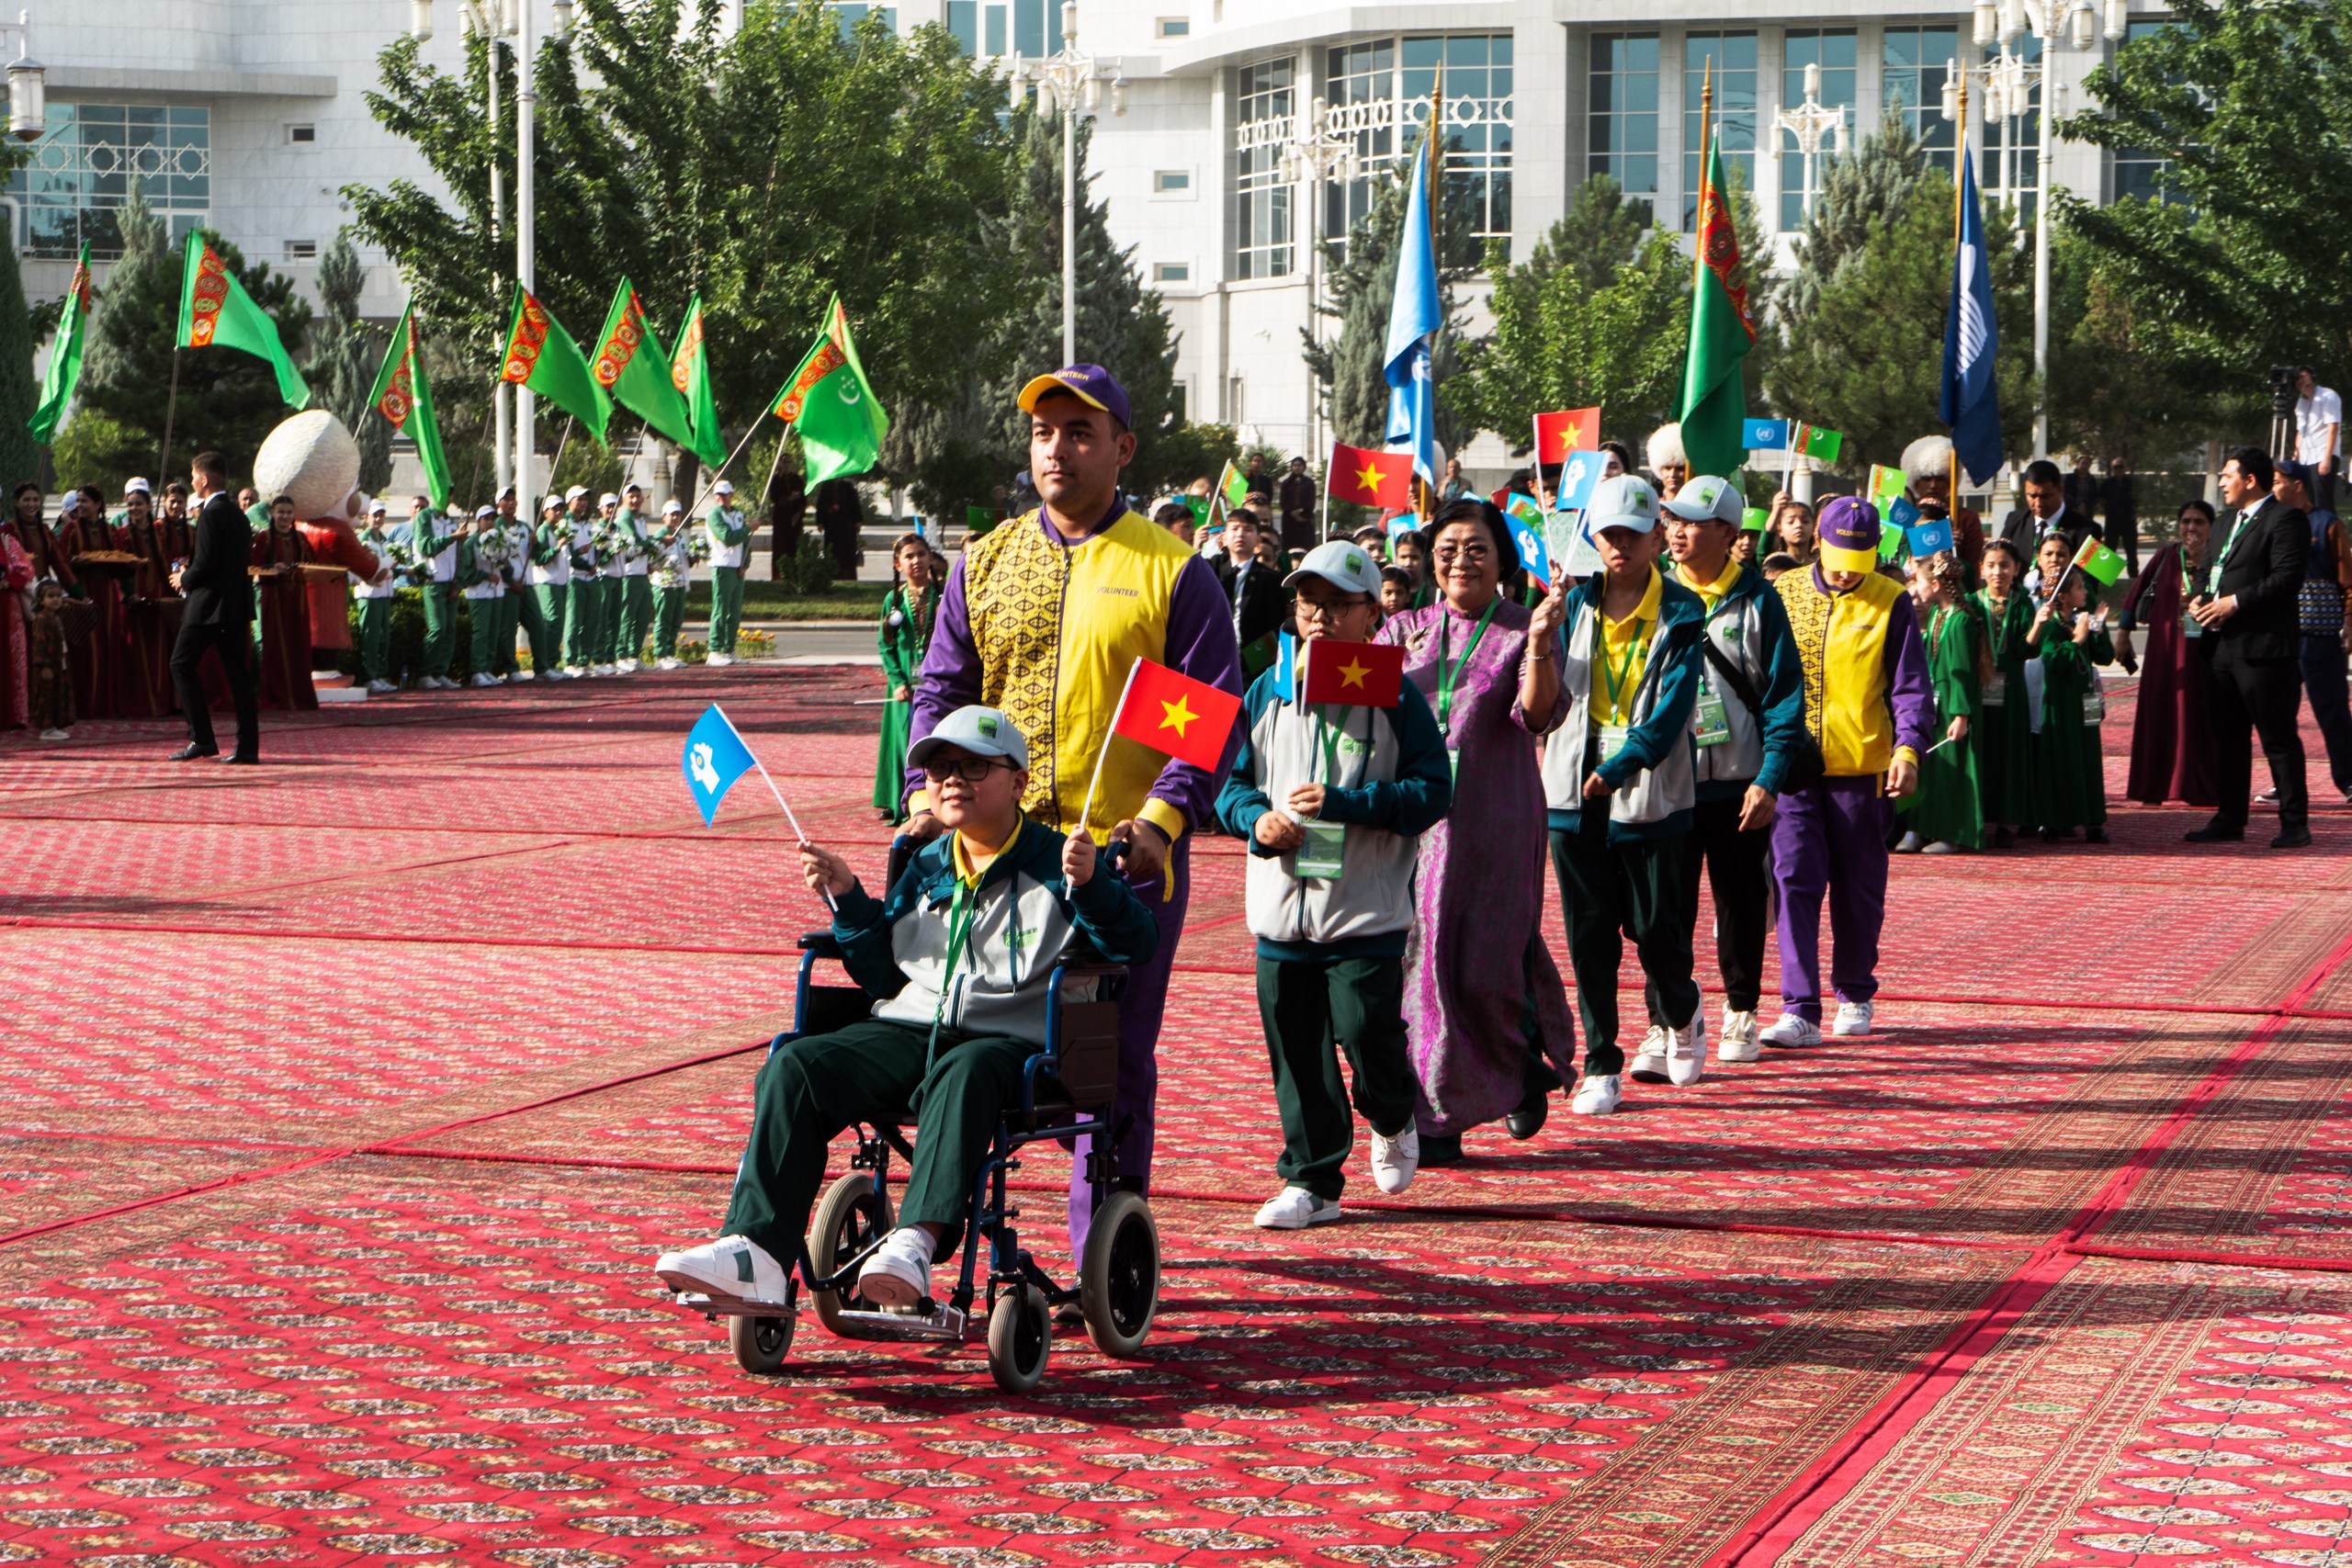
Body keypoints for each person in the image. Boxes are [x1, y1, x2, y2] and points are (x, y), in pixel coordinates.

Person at [653, 705, 1158, 1310]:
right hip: (911, 1029)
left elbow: (1135, 944)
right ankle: (756, 1253)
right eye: (941, 767)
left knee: (964, 1070)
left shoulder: (1064, 862)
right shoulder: (926, 864)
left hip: (1014, 1044)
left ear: (1019, 782)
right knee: (797, 1062)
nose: (952, 780)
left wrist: (1095, 886)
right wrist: (849, 900)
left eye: (974, 766)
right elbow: (884, 973)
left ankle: (914, 1242)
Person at [902, 363, 1242, 1255]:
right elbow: (939, 690)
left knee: (1109, 1059)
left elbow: (1206, 715)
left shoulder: (1173, 573)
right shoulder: (984, 563)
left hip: (1120, 866)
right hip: (996, 856)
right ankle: (936, 1227)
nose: (1059, 448)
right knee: (967, 1035)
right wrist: (922, 796)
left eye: (1081, 432)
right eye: (1044, 432)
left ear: (1121, 450)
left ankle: (1104, 1237)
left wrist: (1160, 825)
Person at [1217, 540, 1451, 1227]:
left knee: (1363, 1026)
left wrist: (1350, 804)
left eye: (1336, 603)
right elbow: (1228, 786)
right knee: (1296, 1046)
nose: (1318, 616)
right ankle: (1311, 1178)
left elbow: (1433, 792)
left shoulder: (1396, 697)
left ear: (1371, 614)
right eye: (1307, 601)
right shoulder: (1267, 687)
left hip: (1364, 912)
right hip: (1281, 913)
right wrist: (1257, 820)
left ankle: (1392, 1107)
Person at [1374, 498, 1576, 1156]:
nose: (1461, 559)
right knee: (1417, 961)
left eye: (1477, 547)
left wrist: (1543, 645)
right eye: (1448, 549)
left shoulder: (1525, 626)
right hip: (1411, 824)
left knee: (1484, 959)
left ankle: (1516, 1066)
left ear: (1502, 558)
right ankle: (1438, 1114)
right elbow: (1356, 711)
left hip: (1494, 819)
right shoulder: (1403, 628)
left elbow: (1539, 715)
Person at [1538, 474, 1705, 1111]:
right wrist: (1542, 636)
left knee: (1657, 929)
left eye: (1634, 534)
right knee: (1589, 934)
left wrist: (1626, 761)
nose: (1621, 545)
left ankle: (1682, 1011)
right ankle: (1601, 1059)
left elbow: (1672, 711)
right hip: (1572, 792)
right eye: (1609, 534)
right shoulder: (1572, 602)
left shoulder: (1685, 612)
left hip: (1651, 792)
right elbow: (1546, 697)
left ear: (1657, 537)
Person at [1760, 498, 1934, 1047]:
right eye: (1838, 555)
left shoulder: (1890, 601)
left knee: (1859, 889)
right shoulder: (1783, 594)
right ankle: (1799, 1006)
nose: (1845, 569)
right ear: (1816, 540)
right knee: (1794, 882)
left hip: (1863, 771)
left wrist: (1908, 751)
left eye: (1859, 560)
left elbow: (1910, 687)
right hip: (1793, 769)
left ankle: (1855, 992)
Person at [1656, 474, 1806, 1065]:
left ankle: (1741, 1010)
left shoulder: (1759, 599)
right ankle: (1669, 1014)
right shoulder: (1656, 594)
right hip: (1667, 783)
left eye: (1692, 522)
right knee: (1664, 908)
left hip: (1740, 783)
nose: (1677, 532)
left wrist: (1769, 777)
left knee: (1740, 901)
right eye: (1673, 521)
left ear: (1728, 532)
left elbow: (1785, 696)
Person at [2188, 446, 2312, 849]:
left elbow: (2286, 578)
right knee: (2229, 737)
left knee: (2277, 738)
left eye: (2227, 475)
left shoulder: (2286, 519)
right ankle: (2230, 817)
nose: (2221, 482)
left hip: (2264, 649)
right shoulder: (2224, 523)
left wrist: (2234, 602)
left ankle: (2294, 822)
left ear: (2250, 480)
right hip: (2220, 647)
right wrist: (2201, 597)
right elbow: (2208, 569)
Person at [2116, 501, 2218, 807]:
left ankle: (2200, 787)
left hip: (2205, 653)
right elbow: (2133, 597)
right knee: (2160, 716)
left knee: (2199, 719)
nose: (2191, 528)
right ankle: (2155, 786)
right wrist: (2122, 637)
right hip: (2163, 655)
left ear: (2211, 528)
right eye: (2186, 521)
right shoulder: (2164, 557)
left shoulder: (2219, 561)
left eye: (2199, 522)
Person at [168, 452, 259, 763]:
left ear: (204, 480)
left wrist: (183, 577)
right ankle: (248, 747)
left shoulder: (210, 514)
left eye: (194, 476)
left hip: (208, 607)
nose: (192, 481)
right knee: (239, 677)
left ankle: (202, 738)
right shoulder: (237, 513)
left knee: (180, 664)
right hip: (235, 606)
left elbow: (205, 564)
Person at [2276, 460, 2352, 807]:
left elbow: (2348, 583)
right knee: (2278, 713)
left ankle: (2349, 781)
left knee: (2332, 711)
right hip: (2279, 638)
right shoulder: (2273, 524)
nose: (2273, 488)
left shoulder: (2327, 525)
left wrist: (2349, 625)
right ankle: (2286, 783)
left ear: (2298, 486)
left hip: (2320, 637)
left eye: (2278, 482)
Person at [1903, 554, 1986, 853]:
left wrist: (1961, 714)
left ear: (1936, 584)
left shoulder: (1961, 620)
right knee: (1932, 768)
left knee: (1954, 769)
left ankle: (1954, 832)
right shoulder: (1938, 616)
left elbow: (1962, 672)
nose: (1917, 591)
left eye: (1920, 583)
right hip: (1935, 703)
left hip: (1953, 704)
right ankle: (1921, 828)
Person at [2030, 564, 2113, 842]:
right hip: (2061, 704)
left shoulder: (2081, 621)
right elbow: (2053, 662)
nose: (2084, 591)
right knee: (2062, 759)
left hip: (2085, 700)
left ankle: (2093, 820)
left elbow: (2104, 656)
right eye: (2078, 587)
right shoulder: (2053, 627)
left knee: (2088, 758)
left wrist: (2097, 627)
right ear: (2063, 596)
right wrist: (2076, 640)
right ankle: (2056, 820)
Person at [1973, 538, 2038, 842]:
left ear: (2017, 569)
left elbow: (2028, 649)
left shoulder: (2022, 602)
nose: (1997, 571)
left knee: (2009, 751)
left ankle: (2007, 819)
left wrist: (2039, 624)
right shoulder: (1971, 602)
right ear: (1981, 569)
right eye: (1991, 565)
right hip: (1979, 686)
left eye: (2004, 565)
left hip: (2011, 689)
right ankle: (1978, 814)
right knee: (1982, 748)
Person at [873, 533, 937, 824]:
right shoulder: (893, 600)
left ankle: (931, 801)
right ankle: (899, 800)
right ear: (898, 564)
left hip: (935, 681)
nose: (916, 561)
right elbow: (886, 645)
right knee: (902, 741)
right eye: (909, 556)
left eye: (921, 555)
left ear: (930, 559)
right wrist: (898, 681)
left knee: (932, 741)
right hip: (903, 686)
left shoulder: (944, 594)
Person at [112, 478, 182, 718]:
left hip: (159, 597)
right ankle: (139, 704)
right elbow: (119, 569)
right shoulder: (121, 534)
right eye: (130, 505)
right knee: (136, 651)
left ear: (148, 505)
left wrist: (175, 591)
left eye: (139, 504)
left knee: (158, 651)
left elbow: (165, 562)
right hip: (135, 597)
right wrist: (130, 594)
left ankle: (160, 703)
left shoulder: (158, 532)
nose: (134, 509)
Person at [249, 495, 317, 711]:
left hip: (297, 601)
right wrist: (272, 568)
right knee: (274, 647)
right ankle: (276, 697)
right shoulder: (264, 538)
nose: (284, 516)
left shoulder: (301, 538)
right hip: (274, 600)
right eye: (280, 512)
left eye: (288, 512)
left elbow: (313, 564)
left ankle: (299, 697)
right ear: (272, 514)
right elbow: (251, 568)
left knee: (298, 645)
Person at [1214, 508, 1287, 682]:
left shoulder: (1270, 578)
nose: (1240, 534)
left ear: (1257, 538)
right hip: (1213, 658)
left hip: (1250, 667)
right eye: (1234, 528)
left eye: (1247, 530)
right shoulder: (1210, 568)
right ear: (1224, 536)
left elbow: (1274, 627)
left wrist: (1254, 664)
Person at [2002, 459, 2099, 584]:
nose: (2038, 504)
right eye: (2032, 496)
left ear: (2060, 490)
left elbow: (2090, 584)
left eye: (2045, 496)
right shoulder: (2014, 521)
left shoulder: (2088, 530)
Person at [1902, 434, 1985, 572]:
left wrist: (1953, 548)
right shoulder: (1904, 515)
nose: (1933, 485)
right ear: (1915, 481)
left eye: (1940, 478)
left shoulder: (1966, 519)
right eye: (1926, 478)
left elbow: (1973, 566)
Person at [406, 495, 461, 691]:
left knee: (449, 630)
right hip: (432, 581)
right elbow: (426, 547)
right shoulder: (424, 518)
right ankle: (426, 673)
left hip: (450, 582)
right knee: (437, 628)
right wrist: (451, 538)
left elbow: (459, 555)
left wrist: (458, 583)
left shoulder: (450, 522)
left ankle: (440, 672)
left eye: (450, 494)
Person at [458, 504, 508, 688]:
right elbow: (466, 573)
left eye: (492, 519)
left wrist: (503, 561)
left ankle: (488, 668)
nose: (489, 522)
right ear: (478, 522)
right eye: (486, 519)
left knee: (493, 632)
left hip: (496, 591)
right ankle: (477, 671)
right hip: (479, 593)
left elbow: (503, 563)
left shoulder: (499, 539)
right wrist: (486, 576)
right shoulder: (471, 543)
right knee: (481, 633)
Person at [524, 494, 571, 680]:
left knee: (558, 623)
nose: (559, 512)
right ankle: (546, 664)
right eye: (555, 509)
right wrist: (557, 548)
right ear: (545, 512)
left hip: (559, 580)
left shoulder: (559, 530)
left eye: (561, 509)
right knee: (552, 622)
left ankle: (553, 662)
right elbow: (539, 558)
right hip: (547, 581)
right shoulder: (543, 531)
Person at [354, 502, 400, 693]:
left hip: (385, 593)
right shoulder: (363, 540)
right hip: (369, 594)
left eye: (381, 515)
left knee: (383, 636)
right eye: (375, 515)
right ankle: (369, 676)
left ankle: (380, 674)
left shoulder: (386, 541)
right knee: (370, 636)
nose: (378, 519)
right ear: (366, 518)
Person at [704, 479, 749, 667]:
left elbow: (746, 542)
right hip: (722, 565)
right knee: (721, 609)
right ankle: (714, 650)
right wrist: (749, 529)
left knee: (734, 611)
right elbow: (728, 537)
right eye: (718, 495)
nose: (721, 498)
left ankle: (729, 649)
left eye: (725, 494)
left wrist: (745, 563)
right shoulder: (714, 515)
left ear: (732, 495)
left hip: (737, 566)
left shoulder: (738, 514)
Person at [561, 487, 605, 678]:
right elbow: (569, 554)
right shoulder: (565, 524)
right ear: (570, 502)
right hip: (575, 577)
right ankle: (570, 661)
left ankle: (584, 660)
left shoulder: (588, 525)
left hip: (592, 578)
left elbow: (596, 550)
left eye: (585, 499)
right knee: (574, 620)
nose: (583, 503)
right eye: (579, 499)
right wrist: (586, 565)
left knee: (591, 620)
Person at [650, 499, 694, 669]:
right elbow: (652, 561)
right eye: (672, 514)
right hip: (664, 585)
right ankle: (660, 655)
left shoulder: (681, 537)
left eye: (678, 514)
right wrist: (667, 565)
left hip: (680, 583)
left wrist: (694, 556)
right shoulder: (659, 537)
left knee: (676, 620)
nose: (675, 518)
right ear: (664, 517)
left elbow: (684, 560)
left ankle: (670, 652)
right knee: (664, 619)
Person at [593, 491, 629, 673]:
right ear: (600, 508)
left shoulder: (619, 530)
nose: (610, 509)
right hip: (604, 576)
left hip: (618, 577)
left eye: (614, 506)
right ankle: (598, 659)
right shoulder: (598, 530)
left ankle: (610, 658)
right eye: (607, 506)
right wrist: (611, 552)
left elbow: (624, 554)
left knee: (615, 620)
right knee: (602, 619)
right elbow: (597, 558)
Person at [28, 579, 69, 739]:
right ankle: (46, 729)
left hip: (57, 663)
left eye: (58, 595)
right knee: (46, 696)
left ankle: (53, 726)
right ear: (41, 600)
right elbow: (39, 644)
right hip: (46, 665)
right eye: (50, 596)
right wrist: (43, 665)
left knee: (56, 693)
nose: (56, 599)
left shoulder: (55, 617)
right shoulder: (41, 619)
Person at [2298, 367, 2342, 513]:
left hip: (2322, 455)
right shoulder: (2301, 402)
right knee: (2309, 501)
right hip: (2306, 459)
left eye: (2303, 376)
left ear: (2313, 377)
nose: (2301, 380)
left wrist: (2327, 458)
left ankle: (2330, 533)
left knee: (2323, 500)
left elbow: (2333, 427)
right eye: (2298, 379)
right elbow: (2300, 431)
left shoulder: (2327, 395)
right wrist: (2296, 456)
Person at [2101, 457, 2140, 577]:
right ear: (2112, 469)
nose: (2118, 469)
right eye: (2115, 467)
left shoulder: (2131, 482)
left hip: (2129, 522)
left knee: (2131, 553)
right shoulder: (2107, 483)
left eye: (2121, 466)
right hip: (2112, 522)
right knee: (2108, 551)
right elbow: (2101, 499)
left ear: (2125, 468)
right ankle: (2105, 578)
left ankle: (2133, 579)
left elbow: (2138, 499)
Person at [1278, 456, 1318, 556]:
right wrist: (1292, 513)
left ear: (1304, 467)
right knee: (1289, 548)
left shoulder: (1309, 483)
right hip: (1289, 521)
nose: (1297, 467)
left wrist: (1301, 512)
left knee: (1307, 548)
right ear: (1291, 467)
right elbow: (1283, 502)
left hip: (1305, 520)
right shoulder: (1286, 483)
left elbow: (1311, 501)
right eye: (1295, 465)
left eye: (1299, 465)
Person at [1645, 424, 1688, 500]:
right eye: (1667, 468)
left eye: (1680, 468)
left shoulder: (1697, 510)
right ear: (1660, 471)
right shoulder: (1653, 508)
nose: (1673, 474)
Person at [1771, 499, 1818, 565]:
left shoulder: (1819, 566)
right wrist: (1775, 512)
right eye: (1790, 522)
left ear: (1813, 527)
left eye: (1805, 521)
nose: (1798, 525)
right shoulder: (1775, 564)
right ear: (1780, 530)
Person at [2063, 454, 2102, 525]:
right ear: (2078, 464)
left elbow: (2094, 497)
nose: (2084, 466)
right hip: (2072, 510)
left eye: (2087, 464)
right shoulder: (2069, 478)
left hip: (2087, 512)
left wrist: (2084, 505)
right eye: (2083, 463)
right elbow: (2066, 494)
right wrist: (2077, 506)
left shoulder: (2092, 480)